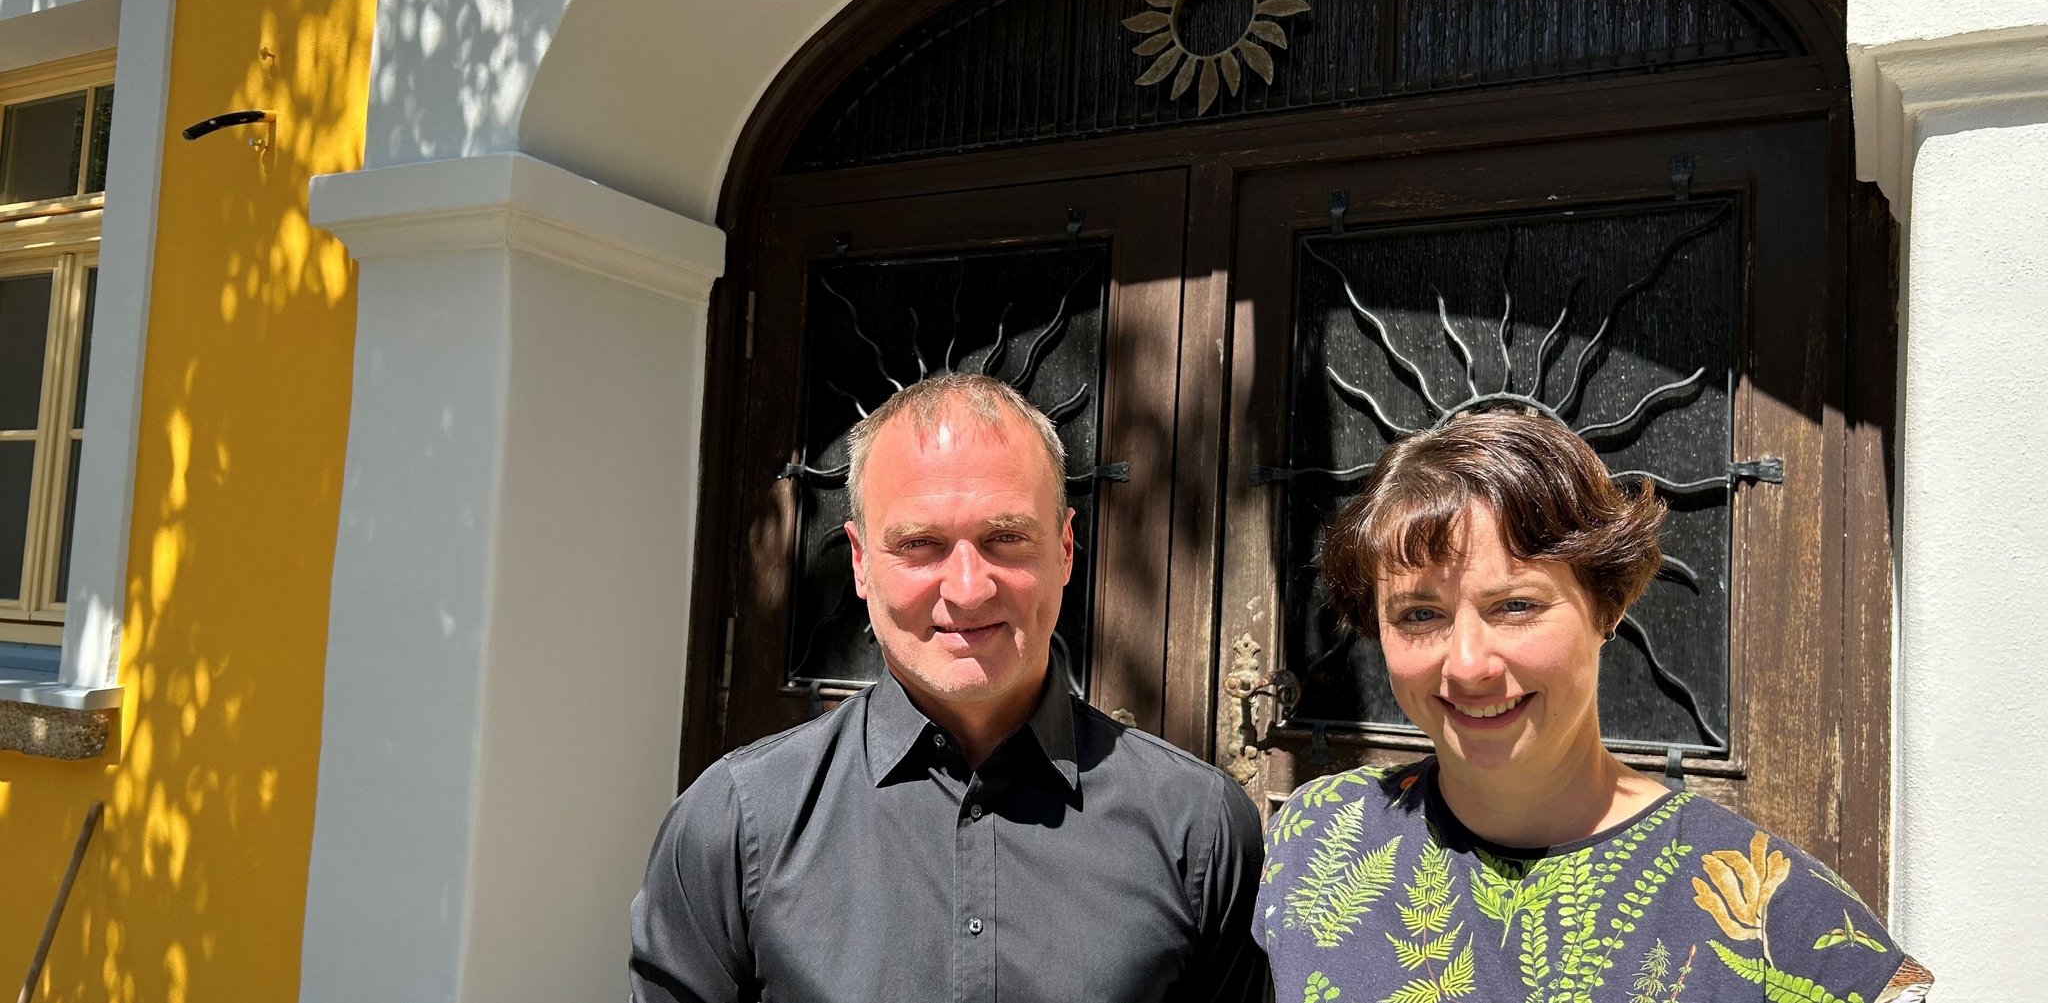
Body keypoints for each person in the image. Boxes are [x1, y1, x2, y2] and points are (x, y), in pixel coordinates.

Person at [1256, 408, 1933, 1003]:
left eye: (1515, 605)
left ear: (1607, 604)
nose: (1466, 663)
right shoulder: (1318, 836)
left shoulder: (1785, 920)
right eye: (1419, 613)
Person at [632, 373, 1266, 1003]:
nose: (967, 588)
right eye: (920, 545)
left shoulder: (1198, 831)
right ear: (859, 563)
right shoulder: (735, 825)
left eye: (1006, 539)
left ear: (1066, 550)